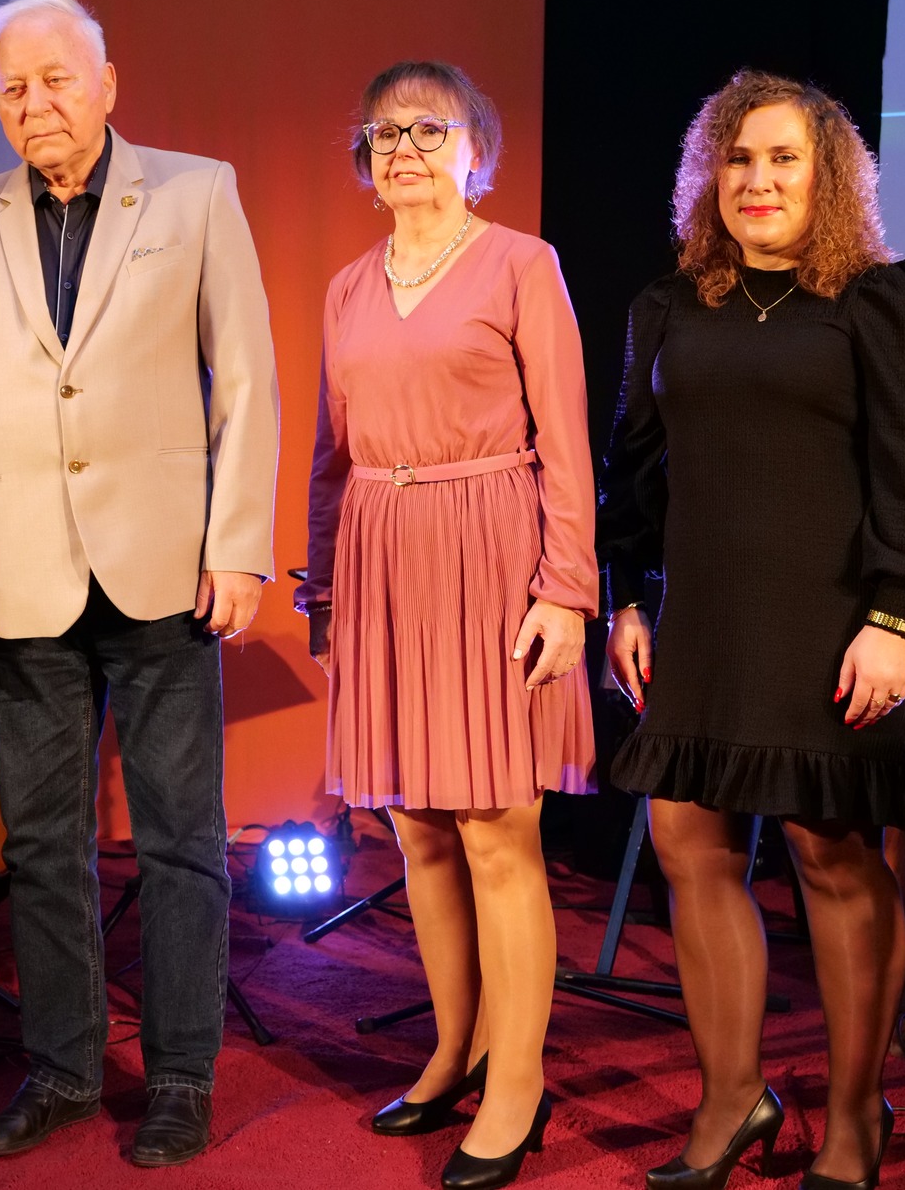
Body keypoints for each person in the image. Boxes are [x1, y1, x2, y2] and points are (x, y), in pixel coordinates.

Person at [0, 0, 280, 1169]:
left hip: (164, 572)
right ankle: (62, 1071)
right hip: (20, 580)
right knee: (42, 847)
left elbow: (245, 380)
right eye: (13, 88)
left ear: (106, 84)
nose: (36, 105)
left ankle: (178, 1078)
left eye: (56, 80)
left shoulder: (195, 193)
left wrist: (236, 544)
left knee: (178, 842)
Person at [598, 70, 905, 1190]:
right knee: (686, 845)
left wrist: (894, 617)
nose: (757, 181)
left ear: (828, 177)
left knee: (829, 855)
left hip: (831, 622)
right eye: (738, 159)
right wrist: (626, 595)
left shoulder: (879, 301)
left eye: (783, 159)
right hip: (702, 620)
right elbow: (635, 467)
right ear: (709, 175)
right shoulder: (671, 304)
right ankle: (731, 1101)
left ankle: (854, 1118)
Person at [299, 61, 598, 1190]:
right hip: (381, 557)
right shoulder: (345, 287)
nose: (408, 149)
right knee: (417, 828)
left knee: (495, 831)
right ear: (365, 161)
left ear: (477, 151)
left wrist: (566, 590)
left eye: (432, 129)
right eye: (386, 133)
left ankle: (516, 1082)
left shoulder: (523, 264)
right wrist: (325, 590)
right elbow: (330, 457)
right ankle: (454, 1049)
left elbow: (565, 441)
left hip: (492, 552)